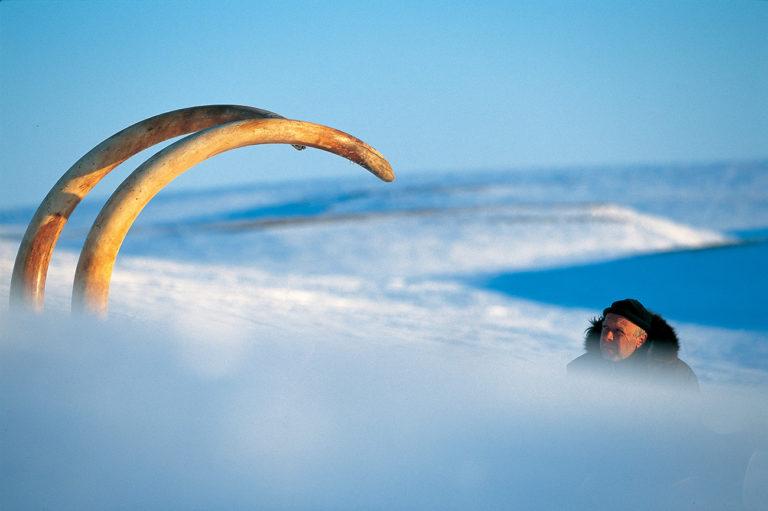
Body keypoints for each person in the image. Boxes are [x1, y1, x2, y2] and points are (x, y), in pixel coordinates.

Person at [567, 298, 699, 390]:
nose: (607, 337)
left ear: (640, 340)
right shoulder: (580, 370)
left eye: (618, 331)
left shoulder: (676, 377)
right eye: (605, 328)